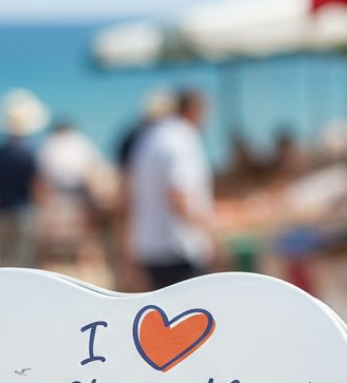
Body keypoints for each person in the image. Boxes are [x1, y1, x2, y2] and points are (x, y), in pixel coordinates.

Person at [127, 88, 217, 288]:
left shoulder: (149, 137)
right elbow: (179, 197)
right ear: (194, 109)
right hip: (181, 247)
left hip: (150, 246)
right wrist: (212, 235)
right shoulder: (182, 139)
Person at [0, 89, 48, 267]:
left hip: (3, 211)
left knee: (3, 261)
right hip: (25, 213)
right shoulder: (29, 153)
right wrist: (44, 213)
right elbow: (36, 187)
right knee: (26, 261)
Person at [36, 119, 105, 265]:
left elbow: (43, 175)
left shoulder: (49, 144)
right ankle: (85, 264)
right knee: (85, 234)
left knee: (52, 236)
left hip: (58, 194)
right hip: (79, 192)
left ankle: (50, 265)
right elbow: (92, 168)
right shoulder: (82, 142)